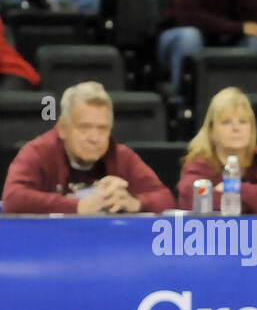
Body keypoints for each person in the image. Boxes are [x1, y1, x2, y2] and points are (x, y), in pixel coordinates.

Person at [2, 81, 174, 214]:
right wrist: (79, 206)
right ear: (62, 128)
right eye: (85, 127)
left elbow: (165, 199)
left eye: (102, 128)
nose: (94, 138)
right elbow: (13, 198)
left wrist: (134, 202)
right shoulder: (39, 152)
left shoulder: (121, 156)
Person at [177, 86, 257, 212]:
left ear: (252, 129)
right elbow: (192, 202)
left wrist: (234, 188)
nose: (236, 128)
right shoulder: (198, 165)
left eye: (243, 121)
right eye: (226, 122)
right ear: (211, 131)